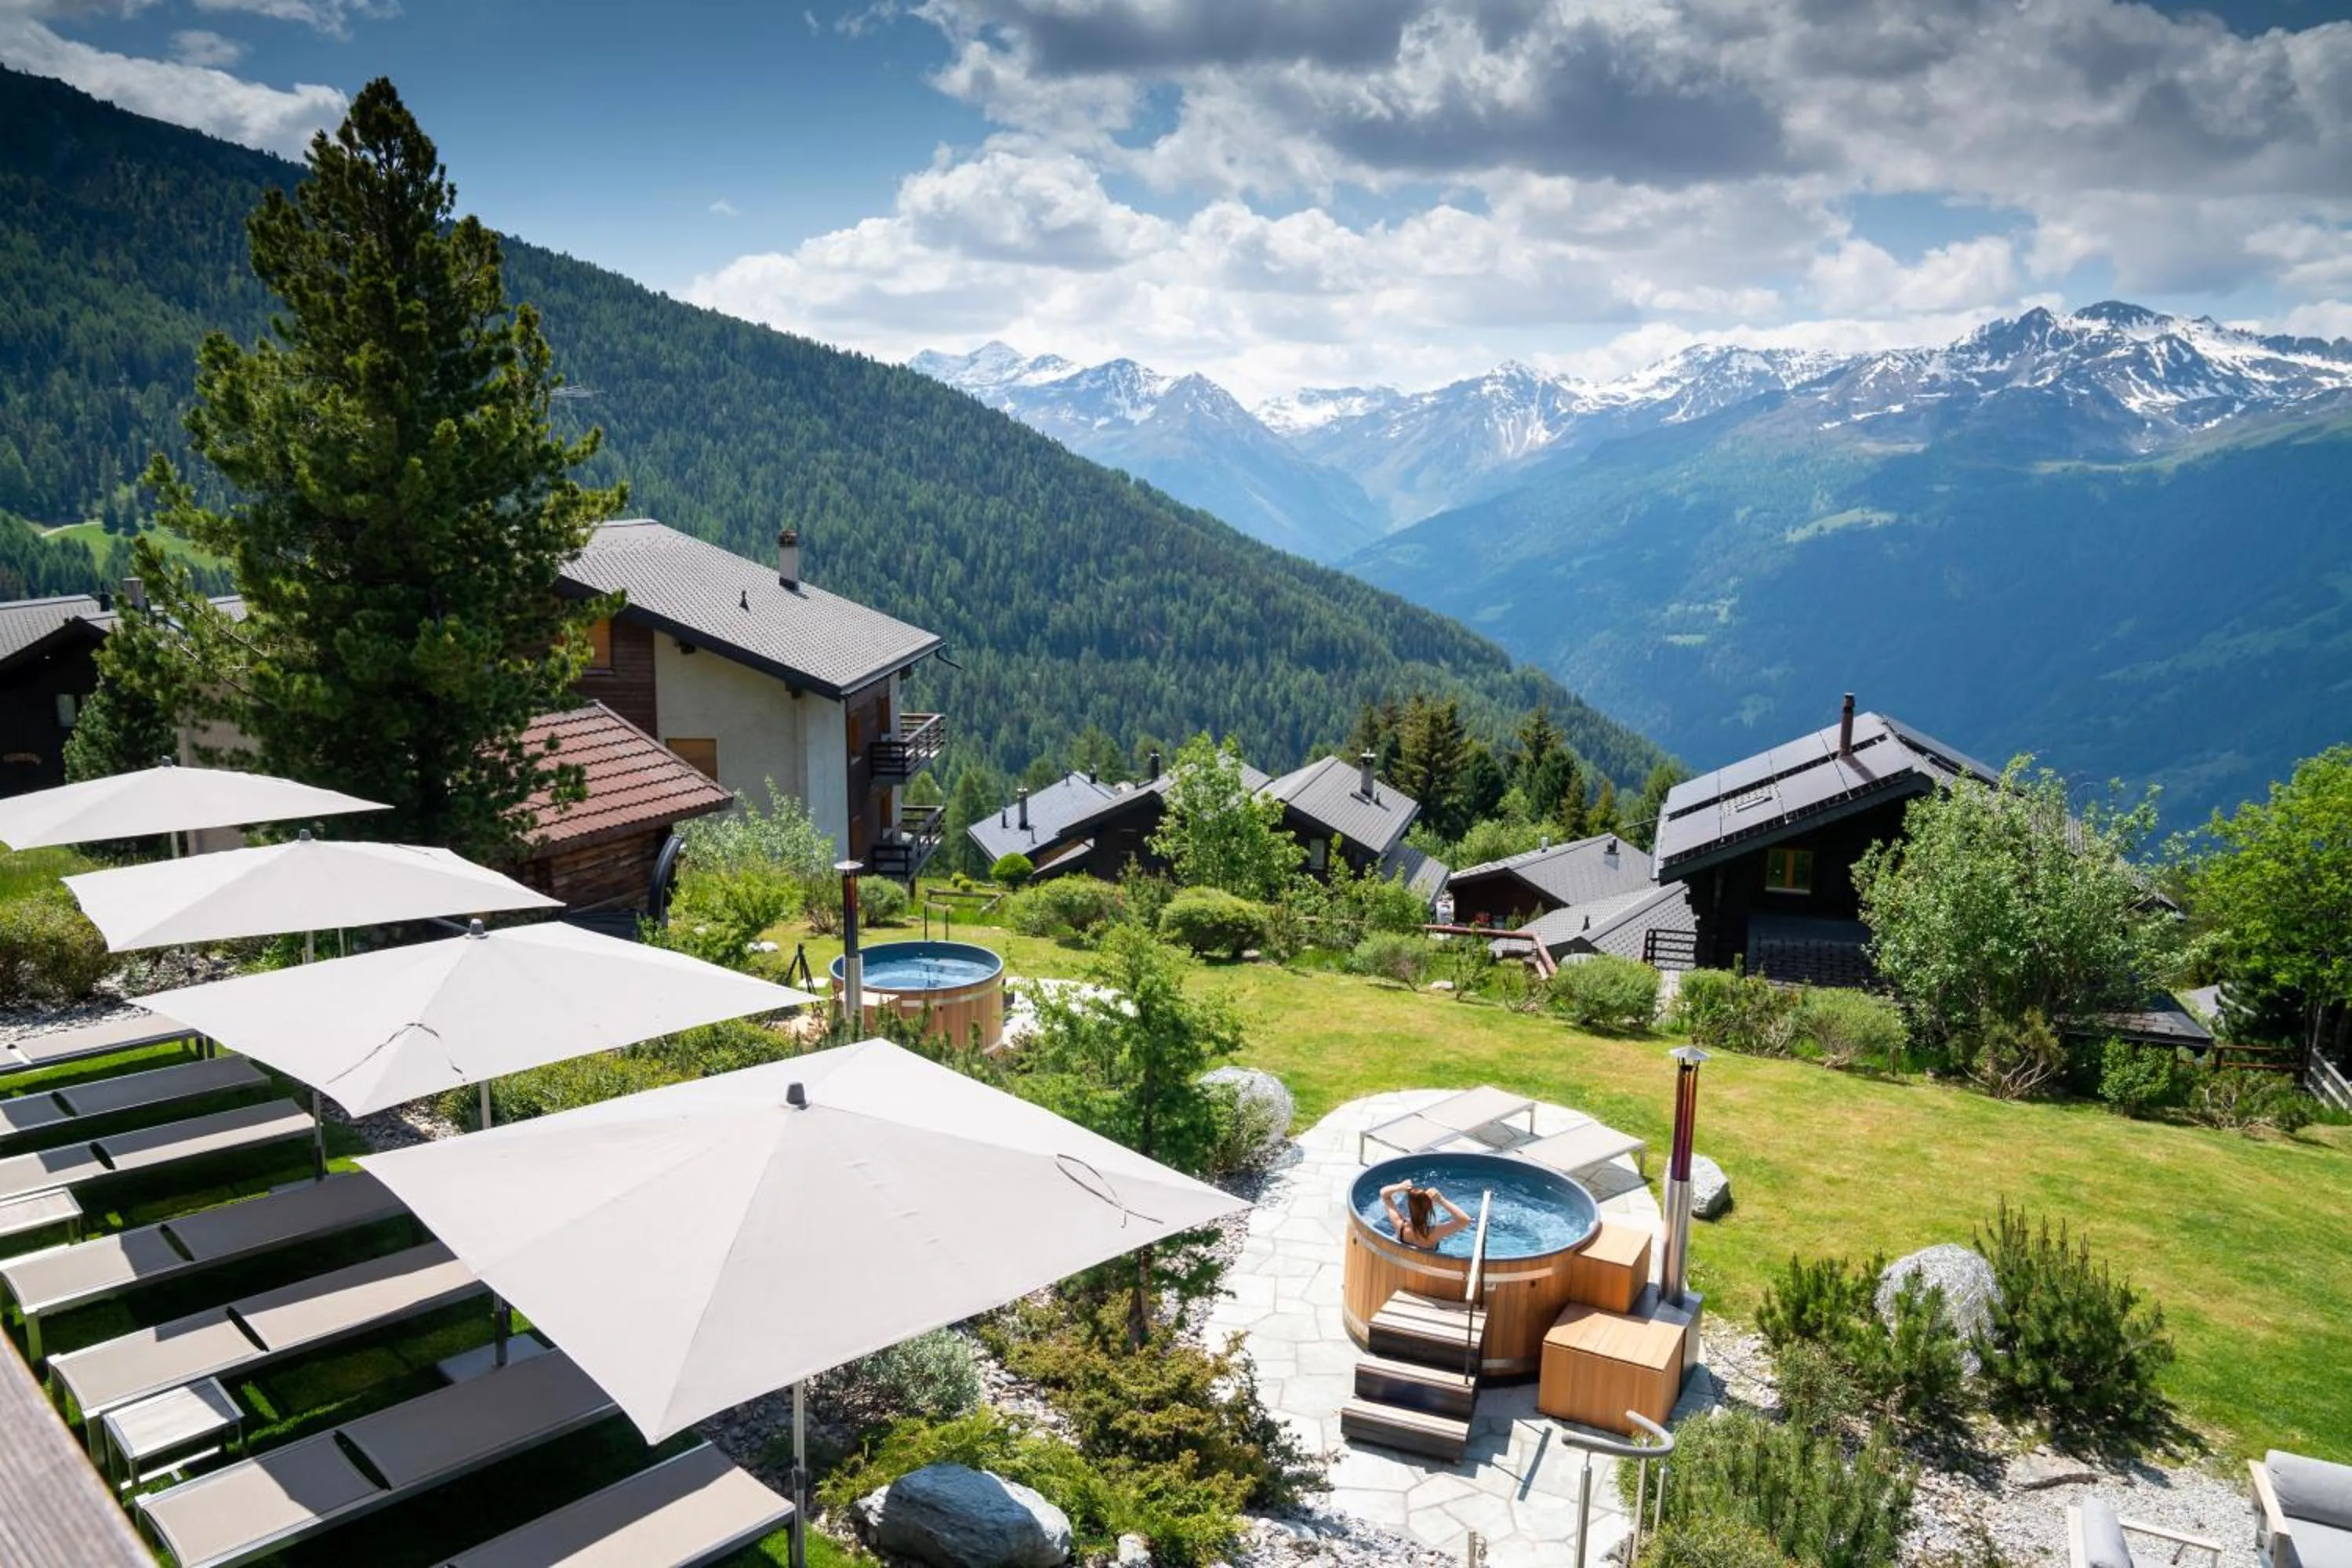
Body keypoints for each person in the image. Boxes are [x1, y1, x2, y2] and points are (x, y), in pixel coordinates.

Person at [1381, 1180, 1471, 1249]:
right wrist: (1442, 1200)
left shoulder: (1400, 1225)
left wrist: (1399, 1187)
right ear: (1430, 1208)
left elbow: (1384, 1194)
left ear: (1409, 1205)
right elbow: (1464, 1220)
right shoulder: (1434, 1233)